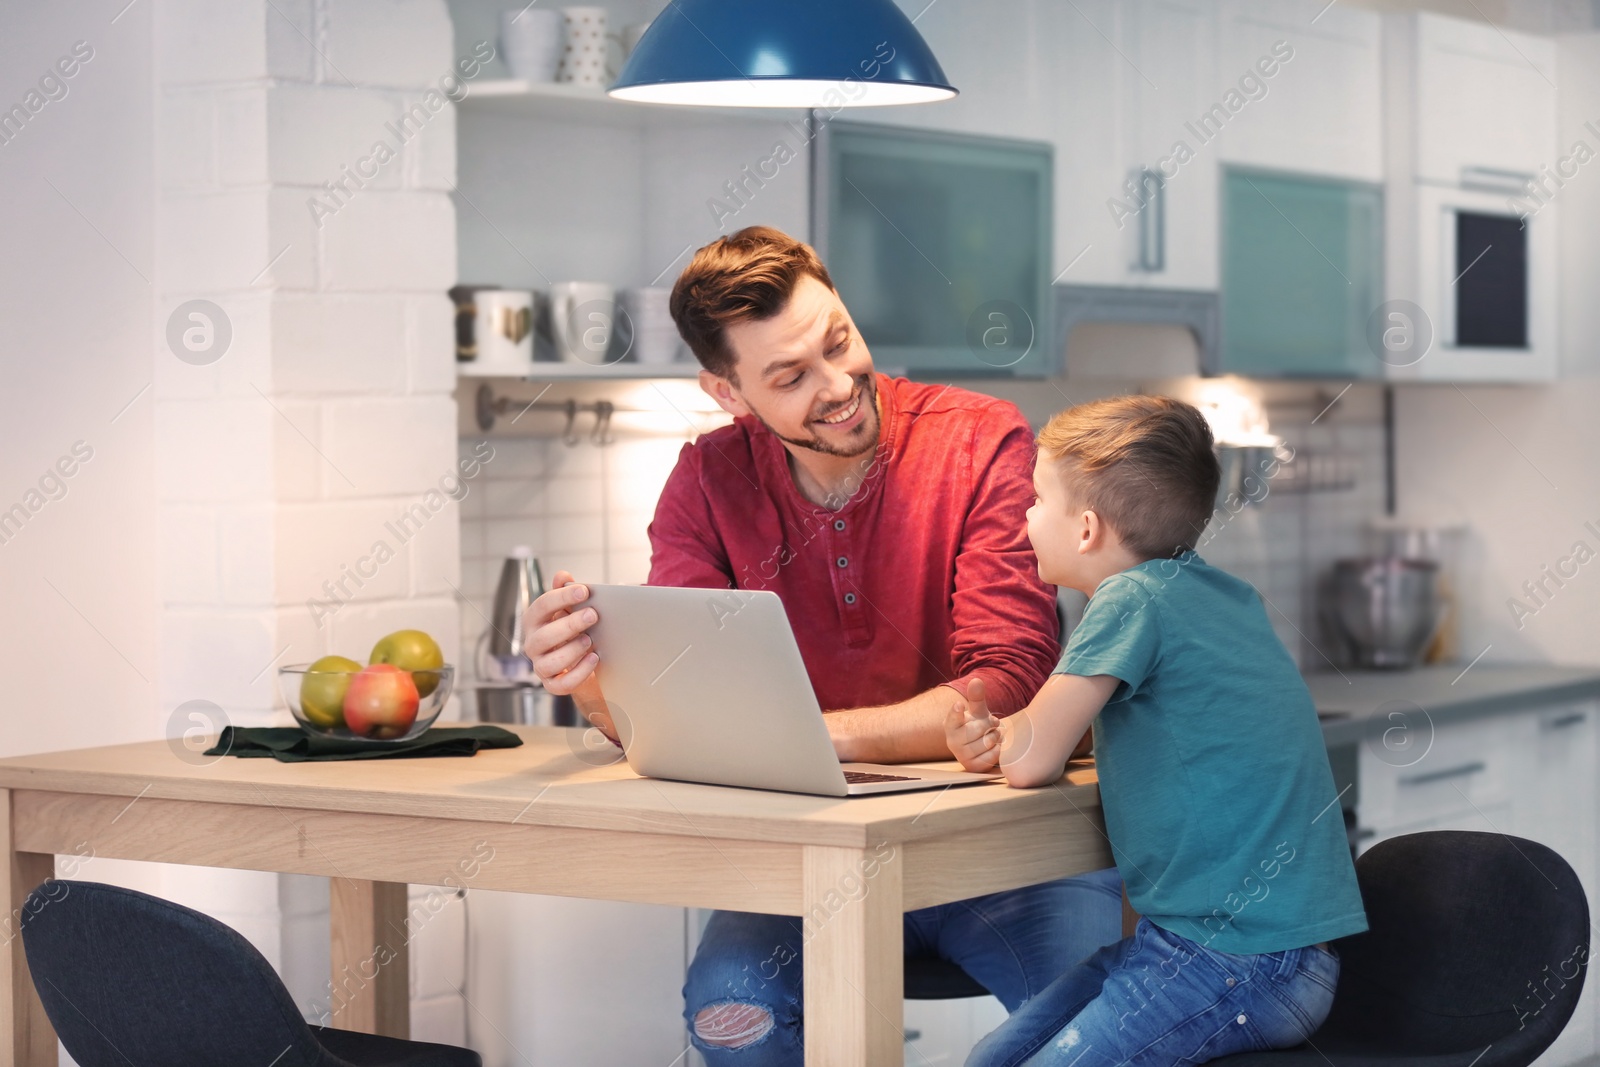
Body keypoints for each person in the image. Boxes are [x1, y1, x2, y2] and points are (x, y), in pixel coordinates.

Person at [522, 225, 1123, 1064]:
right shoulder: (704, 478)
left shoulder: (981, 438)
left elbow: (1010, 681)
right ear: (729, 393)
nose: (840, 385)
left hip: (1003, 853)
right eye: (790, 376)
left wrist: (803, 736)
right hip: (810, 864)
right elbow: (682, 709)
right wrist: (586, 679)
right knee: (731, 1015)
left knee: (1098, 1029)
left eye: (838, 341)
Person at [945, 395, 1368, 1067]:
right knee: (991, 1057)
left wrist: (987, 731)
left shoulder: (1129, 598)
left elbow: (1031, 760)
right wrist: (1012, 736)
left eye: (1035, 498)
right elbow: (1129, 731)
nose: (1024, 516)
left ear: (1085, 528)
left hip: (1238, 960)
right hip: (1240, 953)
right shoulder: (1222, 594)